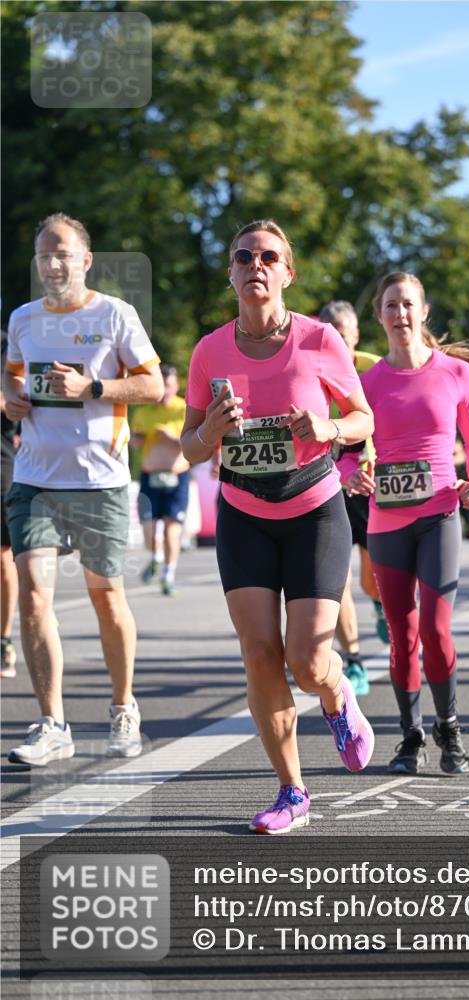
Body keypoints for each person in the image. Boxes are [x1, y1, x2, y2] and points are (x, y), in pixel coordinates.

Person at [181, 220, 375, 835]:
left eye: (270, 257)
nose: (256, 265)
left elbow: (363, 418)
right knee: (260, 655)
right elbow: (189, 447)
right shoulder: (209, 350)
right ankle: (291, 792)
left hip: (315, 510)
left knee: (308, 658)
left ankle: (338, 696)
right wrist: (210, 430)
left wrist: (329, 431)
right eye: (244, 256)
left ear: (287, 273)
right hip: (244, 514)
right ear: (232, 272)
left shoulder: (320, 340)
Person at [3, 213, 163, 765]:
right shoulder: (23, 318)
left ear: (85, 260)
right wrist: (11, 397)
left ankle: (123, 707)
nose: (52, 263)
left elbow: (154, 383)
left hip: (100, 481)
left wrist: (93, 385)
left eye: (63, 253)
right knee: (34, 596)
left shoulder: (115, 314)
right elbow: (13, 375)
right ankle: (52, 722)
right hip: (35, 479)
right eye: (44, 254)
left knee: (107, 598)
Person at [341, 272, 469, 777]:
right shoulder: (368, 384)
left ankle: (449, 726)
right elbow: (343, 450)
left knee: (435, 627)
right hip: (386, 521)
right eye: (391, 306)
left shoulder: (454, 374)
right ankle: (411, 735)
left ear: (423, 312)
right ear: (379, 316)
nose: (400, 314)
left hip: (439, 515)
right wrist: (351, 475)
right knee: (401, 632)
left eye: (408, 304)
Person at [319, 300, 387, 696]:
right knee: (337, 581)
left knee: (372, 578)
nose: (333, 340)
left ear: (355, 336)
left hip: (369, 485)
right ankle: (355, 660)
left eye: (341, 334)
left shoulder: (374, 370)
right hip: (328, 487)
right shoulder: (309, 369)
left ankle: (379, 604)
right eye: (326, 331)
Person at [131, 363, 190, 595]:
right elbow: (135, 440)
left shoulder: (184, 409)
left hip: (177, 476)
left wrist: (173, 437)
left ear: (175, 386)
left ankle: (169, 574)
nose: (165, 390)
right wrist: (137, 438)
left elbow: (193, 442)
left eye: (169, 385)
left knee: (170, 531)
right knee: (149, 530)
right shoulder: (144, 411)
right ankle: (155, 557)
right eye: (162, 385)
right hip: (150, 477)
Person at [1, 329, 19, 678]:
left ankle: (3, 638)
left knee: (3, 556)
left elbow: (19, 400)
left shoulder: (10, 340)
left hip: (1, 459)